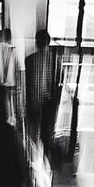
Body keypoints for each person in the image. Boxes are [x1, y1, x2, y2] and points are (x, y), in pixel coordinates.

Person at [24, 29, 62, 169]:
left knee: (33, 134)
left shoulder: (29, 60)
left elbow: (27, 84)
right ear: (48, 42)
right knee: (46, 136)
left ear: (36, 43)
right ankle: (45, 163)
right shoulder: (56, 61)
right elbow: (59, 84)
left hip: (33, 104)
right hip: (49, 105)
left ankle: (32, 163)